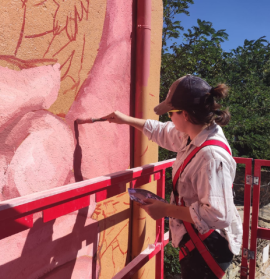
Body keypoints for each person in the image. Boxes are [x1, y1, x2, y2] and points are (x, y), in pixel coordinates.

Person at [104, 75, 243, 279]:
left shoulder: (210, 156)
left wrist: (166, 210)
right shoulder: (195, 133)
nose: (169, 118)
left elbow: (218, 216)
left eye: (171, 113)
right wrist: (125, 120)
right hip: (198, 240)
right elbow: (163, 132)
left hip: (208, 247)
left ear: (185, 114)